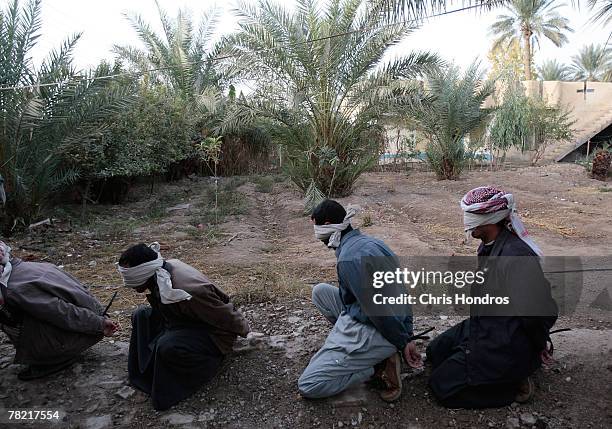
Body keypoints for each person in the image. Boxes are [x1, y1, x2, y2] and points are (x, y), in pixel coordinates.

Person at [426, 186, 558, 408]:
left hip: (505, 336)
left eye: (472, 216)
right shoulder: (488, 246)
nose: (466, 222)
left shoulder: (515, 256)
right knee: (434, 353)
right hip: (486, 322)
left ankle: (511, 386)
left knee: (441, 387)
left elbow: (535, 314)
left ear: (490, 219)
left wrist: (538, 344)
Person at [298, 200, 422, 402]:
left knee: (309, 385)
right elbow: (402, 290)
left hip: (379, 326)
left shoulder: (348, 259)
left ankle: (374, 367)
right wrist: (408, 330)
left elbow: (378, 312)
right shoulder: (373, 243)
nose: (316, 234)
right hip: (381, 315)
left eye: (317, 227)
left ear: (328, 224)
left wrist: (403, 340)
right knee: (320, 292)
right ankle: (368, 352)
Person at [118, 243, 250, 411]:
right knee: (141, 315)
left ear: (144, 271)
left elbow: (224, 316)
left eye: (132, 278)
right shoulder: (161, 273)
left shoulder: (187, 290)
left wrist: (244, 333)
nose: (129, 285)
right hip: (182, 321)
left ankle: (207, 366)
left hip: (212, 334)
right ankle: (147, 372)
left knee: (168, 345)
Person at [0, 241, 117, 380]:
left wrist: (100, 325)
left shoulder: (12, 288)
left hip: (87, 330)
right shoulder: (31, 267)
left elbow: (61, 312)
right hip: (94, 316)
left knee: (6, 317)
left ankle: (51, 359)